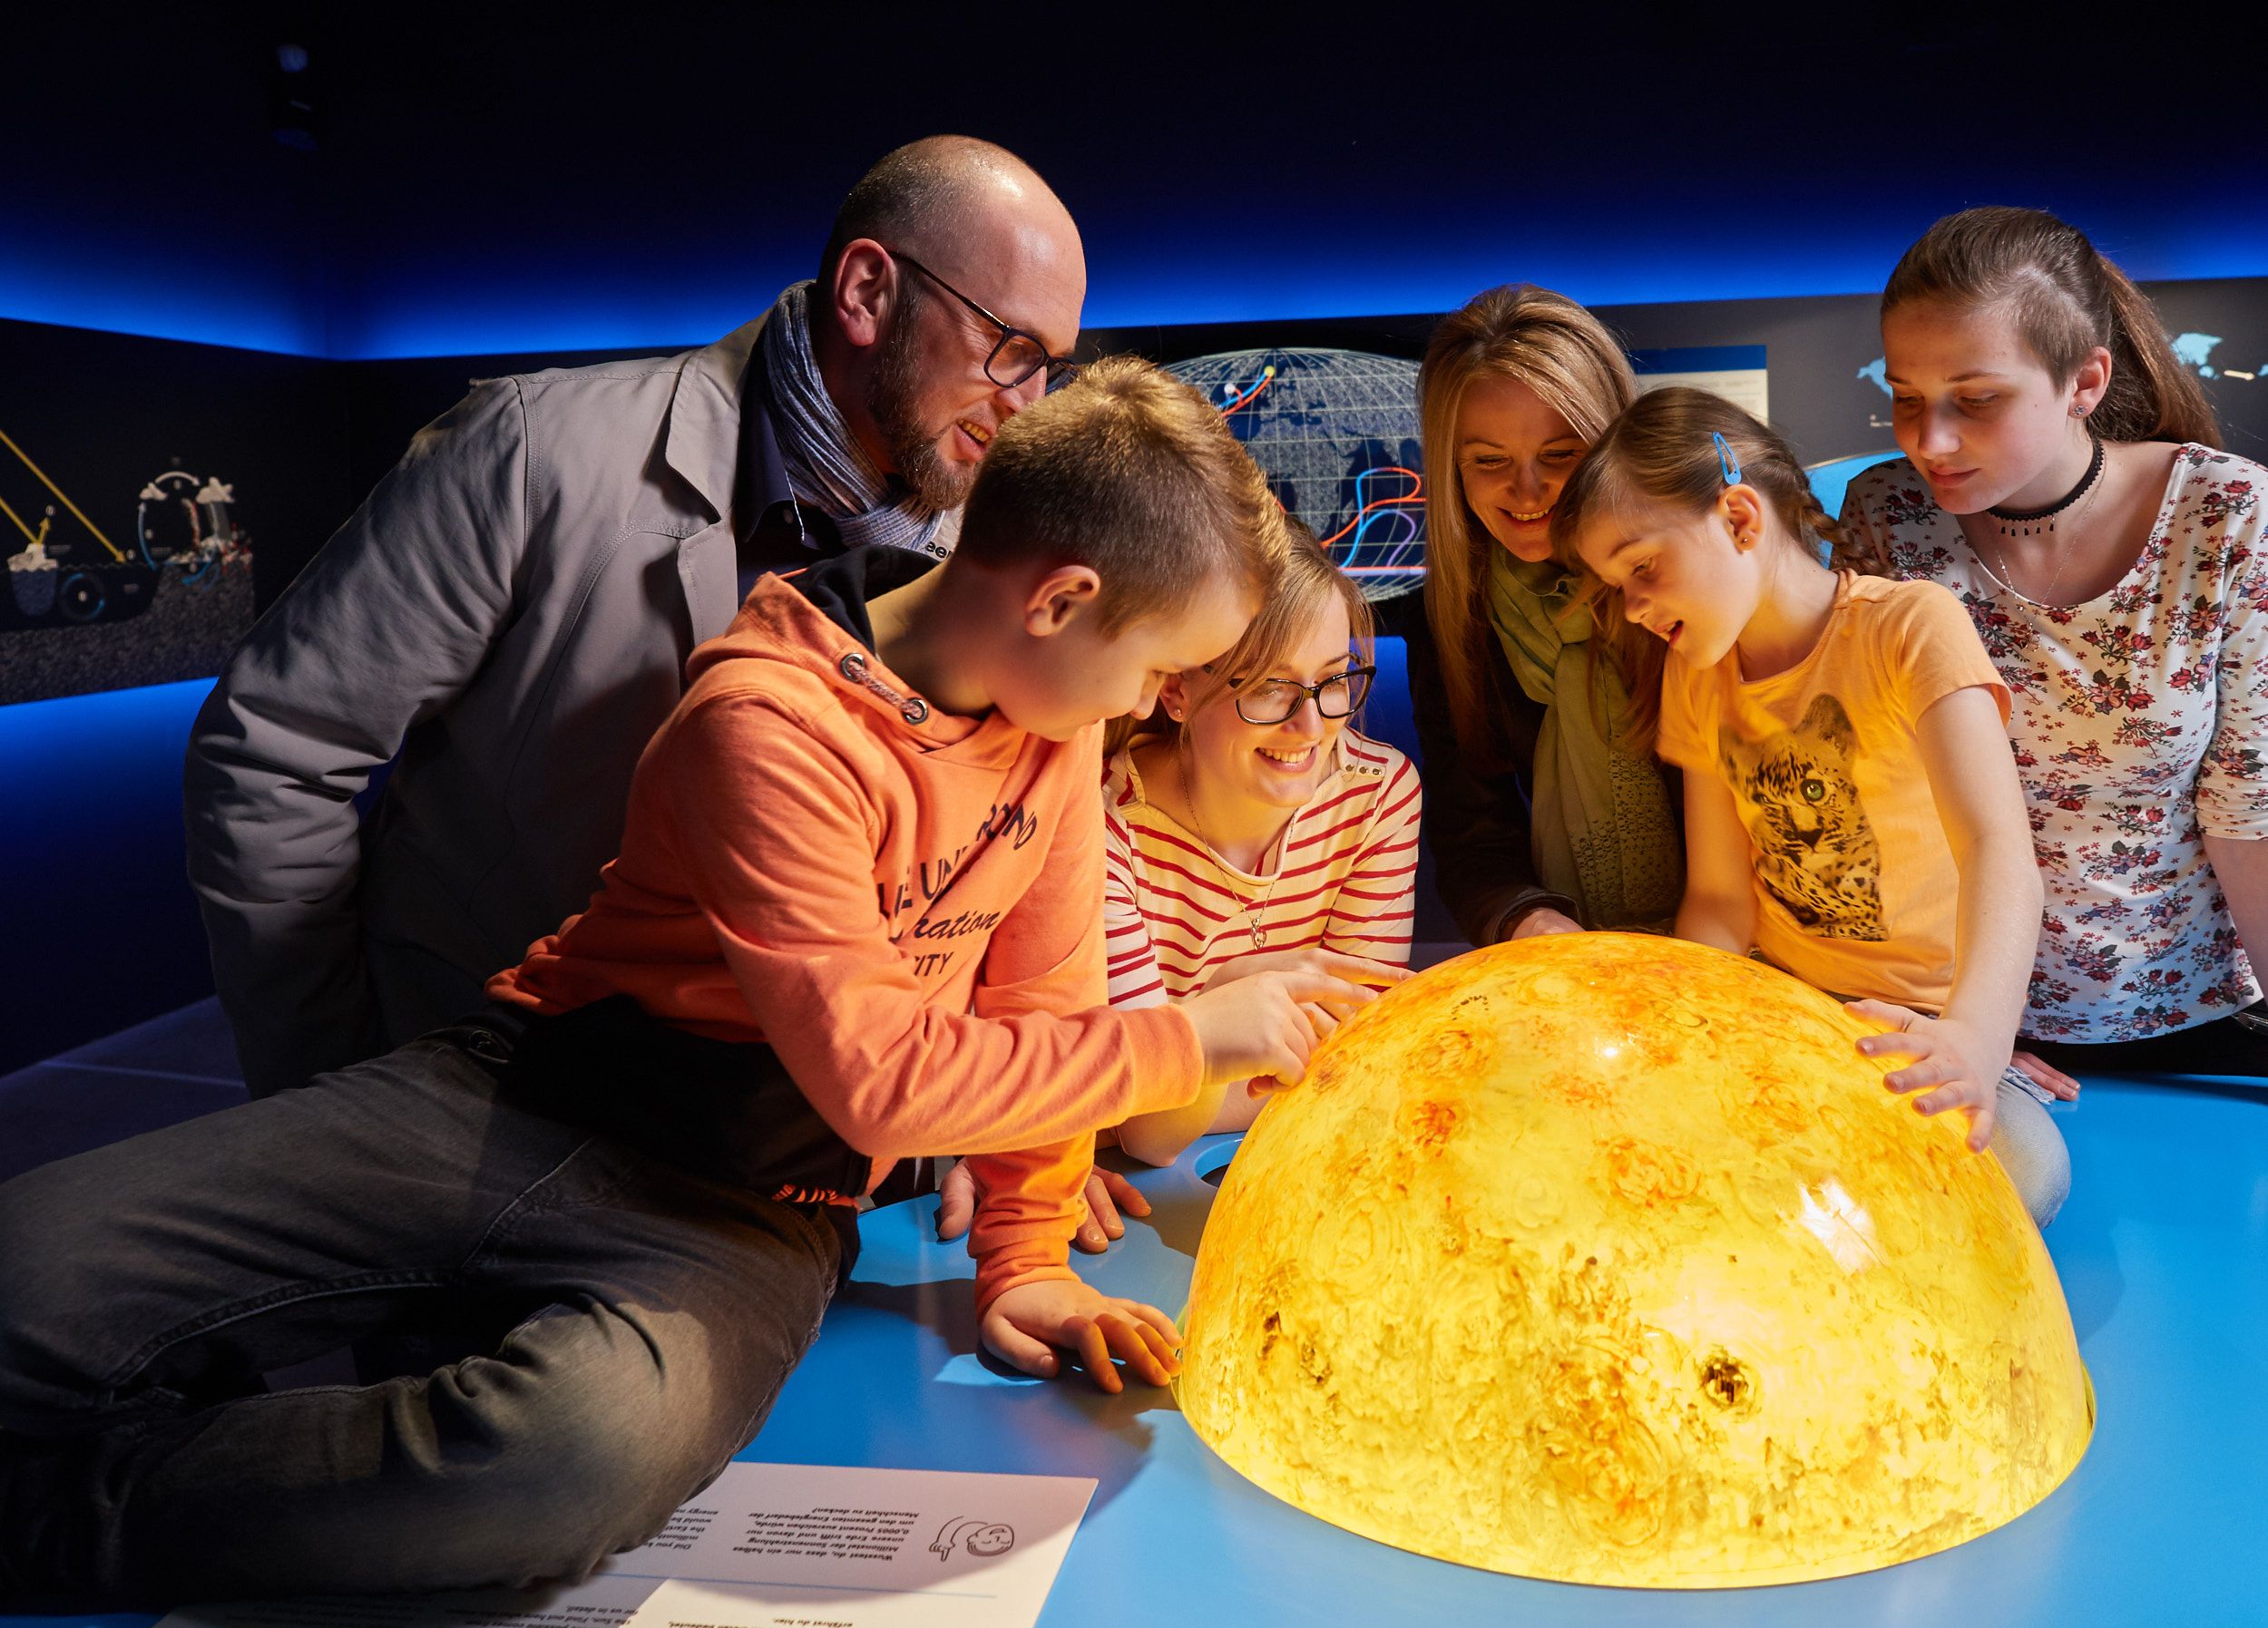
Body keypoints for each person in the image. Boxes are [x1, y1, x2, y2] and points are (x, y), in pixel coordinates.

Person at [0, 359, 1380, 1606]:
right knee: (31, 1269)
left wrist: (1021, 1258)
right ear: (1062, 599)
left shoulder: (1051, 730)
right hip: (515, 1097)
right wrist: (1189, 1036)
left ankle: (66, 1514)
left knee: (560, 1459)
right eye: (1159, 667)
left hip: (755, 1207)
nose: (1149, 705)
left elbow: (1042, 997)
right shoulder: (763, 720)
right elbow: (887, 1075)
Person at [185, 135, 1087, 1103]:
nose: (1026, 407)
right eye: (1012, 349)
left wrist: (994, 1121)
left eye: (1052, 368)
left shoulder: (992, 555)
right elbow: (275, 755)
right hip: (486, 1099)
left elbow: (1002, 867)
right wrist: (336, 1090)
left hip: (789, 1154)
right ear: (867, 292)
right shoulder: (536, 455)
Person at [1555, 386, 2069, 1226]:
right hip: (1786, 1006)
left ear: (1741, 519)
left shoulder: (1911, 628)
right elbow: (1722, 901)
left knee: (2024, 1170)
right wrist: (1691, 1032)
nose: (1636, 608)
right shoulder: (1697, 677)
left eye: (1643, 566)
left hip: (1925, 1017)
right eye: (1617, 585)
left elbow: (1997, 849)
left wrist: (1978, 1035)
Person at [1837, 206, 2265, 1079]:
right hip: (1951, 1016)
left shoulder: (2223, 513)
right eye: (1907, 401)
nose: (1931, 441)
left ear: (2085, 381)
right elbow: (1875, 798)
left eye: (1978, 400)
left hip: (2189, 1016)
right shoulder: (1887, 515)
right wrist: (1972, 1026)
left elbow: (2247, 812)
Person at [1101, 531, 1418, 1165]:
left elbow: (1358, 1059)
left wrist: (1190, 1044)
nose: (1311, 726)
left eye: (1333, 680)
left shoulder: (1378, 795)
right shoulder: (1104, 824)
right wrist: (1223, 1000)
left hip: (1305, 1151)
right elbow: (1149, 1132)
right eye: (1270, 687)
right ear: (1177, 689)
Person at [1399, 284, 1683, 948]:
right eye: (1489, 461)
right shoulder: (1452, 617)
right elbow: (1474, 839)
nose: (1526, 491)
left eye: (1560, 455)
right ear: (1451, 471)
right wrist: (1528, 918)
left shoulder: (1694, 583)